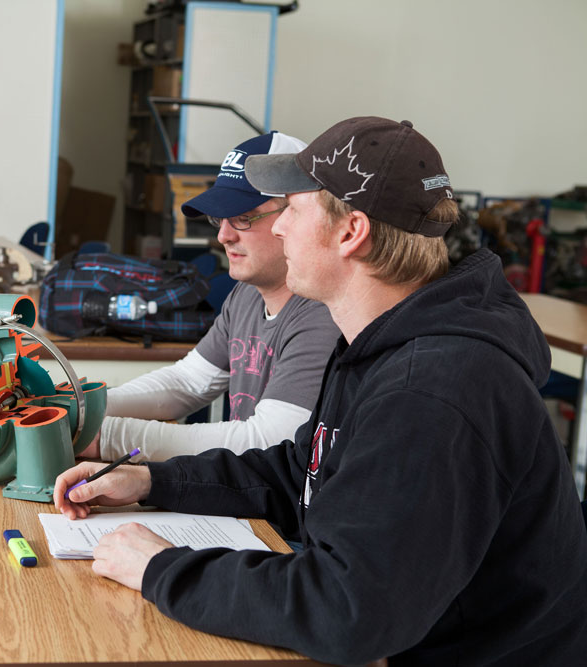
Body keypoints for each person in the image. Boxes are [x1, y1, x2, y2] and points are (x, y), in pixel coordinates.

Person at [55, 116, 587, 664]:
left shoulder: (432, 388)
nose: (279, 228)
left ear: (350, 232)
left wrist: (158, 568)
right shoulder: (377, 343)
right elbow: (299, 471)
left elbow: (347, 609)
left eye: (293, 209)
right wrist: (151, 480)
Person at [81, 132, 339, 462]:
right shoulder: (247, 294)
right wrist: (88, 406)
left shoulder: (322, 313)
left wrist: (109, 438)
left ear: (296, 214)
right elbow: (189, 382)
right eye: (220, 218)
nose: (223, 236)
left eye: (243, 218)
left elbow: (270, 440)